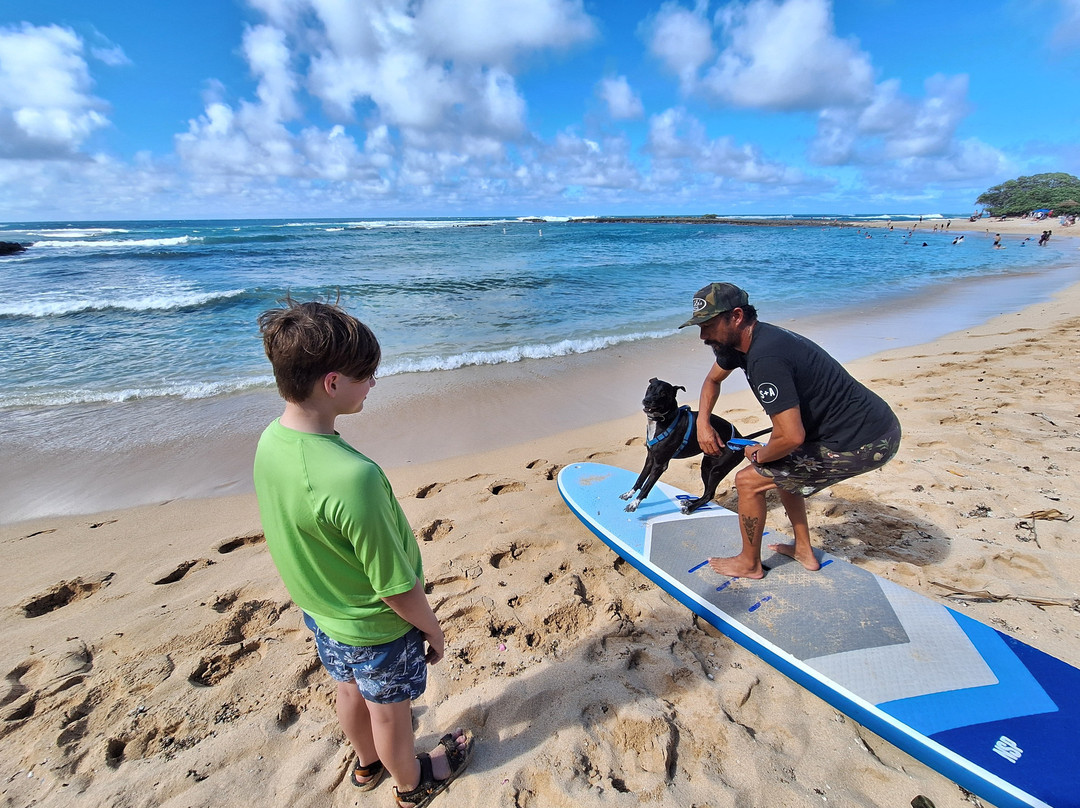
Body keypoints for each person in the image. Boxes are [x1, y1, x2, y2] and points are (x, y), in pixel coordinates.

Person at [253, 299, 472, 806]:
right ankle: (412, 785)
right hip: (377, 625)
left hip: (325, 612)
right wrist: (431, 628)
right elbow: (395, 585)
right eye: (367, 375)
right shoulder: (354, 479)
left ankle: (366, 764)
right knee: (390, 712)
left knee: (348, 689)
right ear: (332, 383)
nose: (373, 384)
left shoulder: (271, 440)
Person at [680, 283, 901, 579]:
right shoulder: (741, 344)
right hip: (867, 427)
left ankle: (749, 563)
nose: (703, 336)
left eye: (708, 325)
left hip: (865, 441)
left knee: (748, 481)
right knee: (778, 466)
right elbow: (712, 382)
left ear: (736, 316)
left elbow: (791, 437)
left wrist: (760, 454)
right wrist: (703, 423)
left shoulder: (765, 358)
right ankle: (804, 550)